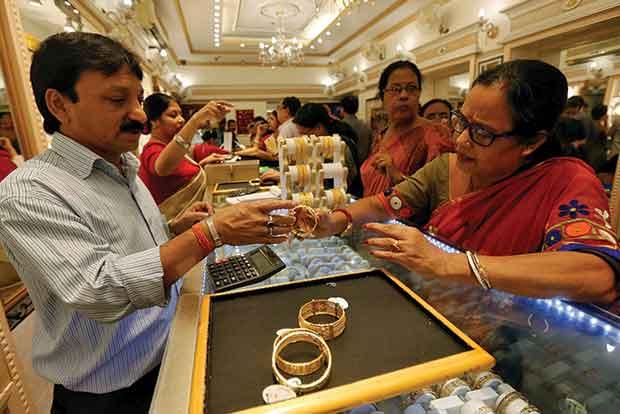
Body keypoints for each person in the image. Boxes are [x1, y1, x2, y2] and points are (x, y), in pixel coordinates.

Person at [0, 32, 296, 414]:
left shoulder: (123, 166)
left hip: (172, 345)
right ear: (59, 104)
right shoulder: (30, 192)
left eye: (138, 99)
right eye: (116, 99)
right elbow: (100, 290)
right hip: (115, 390)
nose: (139, 114)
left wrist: (173, 229)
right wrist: (211, 233)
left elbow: (127, 245)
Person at [314, 59, 618, 305]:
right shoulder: (446, 168)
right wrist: (337, 219)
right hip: (436, 310)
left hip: (511, 346)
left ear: (531, 142)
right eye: (462, 122)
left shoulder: (565, 181)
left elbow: (597, 275)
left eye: (482, 133)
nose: (460, 141)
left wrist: (448, 263)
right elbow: (385, 203)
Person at [360, 60, 454, 197]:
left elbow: (440, 193)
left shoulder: (435, 134)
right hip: (369, 214)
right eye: (396, 89)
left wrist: (397, 176)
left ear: (419, 93)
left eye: (411, 88)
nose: (404, 95)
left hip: (404, 217)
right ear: (383, 96)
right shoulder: (382, 135)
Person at [139, 92, 231, 221]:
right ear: (154, 122)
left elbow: (178, 176)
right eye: (173, 115)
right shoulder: (152, 149)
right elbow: (163, 168)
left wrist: (202, 164)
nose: (181, 119)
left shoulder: (172, 147)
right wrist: (194, 122)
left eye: (181, 114)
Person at [294, 103, 363, 197]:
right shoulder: (318, 144)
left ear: (318, 127)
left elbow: (347, 181)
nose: (303, 139)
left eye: (305, 134)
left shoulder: (341, 145)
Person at [340, 95, 373, 163]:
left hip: (345, 168)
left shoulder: (338, 126)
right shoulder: (366, 126)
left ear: (342, 109)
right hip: (363, 166)